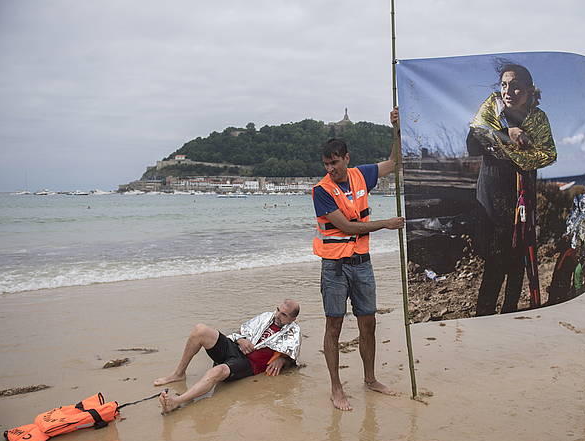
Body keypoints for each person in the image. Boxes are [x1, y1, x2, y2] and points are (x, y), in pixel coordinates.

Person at [312, 110, 404, 411]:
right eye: (326, 164)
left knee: (368, 323)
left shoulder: (362, 174)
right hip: (335, 268)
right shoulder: (321, 191)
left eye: (334, 163)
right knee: (334, 326)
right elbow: (347, 227)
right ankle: (336, 388)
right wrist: (385, 224)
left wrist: (396, 129)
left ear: (346, 158)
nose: (330, 169)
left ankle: (370, 379)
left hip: (362, 263)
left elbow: (394, 163)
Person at [466, 62, 557, 315]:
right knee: (495, 261)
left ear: (529, 91)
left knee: (519, 260)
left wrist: (523, 147)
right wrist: (506, 133)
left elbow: (548, 154)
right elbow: (473, 143)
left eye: (516, 87)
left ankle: (510, 312)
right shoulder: (492, 108)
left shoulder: (538, 118)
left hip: (522, 195)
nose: (508, 91)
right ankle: (483, 315)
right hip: (493, 195)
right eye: (504, 85)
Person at [154, 299, 301, 413]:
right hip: (236, 348)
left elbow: (293, 356)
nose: (277, 315)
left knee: (216, 372)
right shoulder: (267, 316)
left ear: (292, 319)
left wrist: (282, 360)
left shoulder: (294, 332)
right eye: (277, 310)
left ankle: (176, 401)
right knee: (200, 330)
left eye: (283, 314)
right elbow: (241, 331)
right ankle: (178, 373)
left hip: (248, 364)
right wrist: (240, 340)